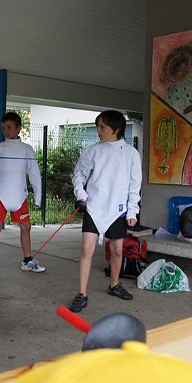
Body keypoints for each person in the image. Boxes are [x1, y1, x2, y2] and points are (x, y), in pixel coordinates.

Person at [69, 110, 142, 312]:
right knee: (87, 249)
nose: (99, 131)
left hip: (118, 210)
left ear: (116, 129)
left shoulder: (131, 154)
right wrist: (81, 195)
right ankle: (82, 293)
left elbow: (135, 185)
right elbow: (79, 175)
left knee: (117, 250)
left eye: (102, 127)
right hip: (94, 207)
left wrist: (132, 211)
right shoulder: (92, 151)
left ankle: (114, 285)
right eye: (98, 126)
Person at [0, 112, 44, 280]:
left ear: (19, 128)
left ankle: (28, 260)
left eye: (10, 128)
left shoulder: (27, 149)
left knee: (26, 228)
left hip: (20, 196)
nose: (6, 131)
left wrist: (38, 197)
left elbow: (34, 174)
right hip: (0, 196)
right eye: (3, 128)